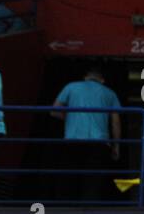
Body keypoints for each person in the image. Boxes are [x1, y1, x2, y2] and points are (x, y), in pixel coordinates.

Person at [51, 68, 123, 202]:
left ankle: (65, 209)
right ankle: (89, 209)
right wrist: (116, 146)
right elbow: (116, 122)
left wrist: (70, 118)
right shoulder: (110, 93)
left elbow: (54, 110)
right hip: (99, 143)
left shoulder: (71, 87)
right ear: (102, 80)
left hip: (73, 140)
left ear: (85, 78)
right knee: (93, 182)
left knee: (68, 179)